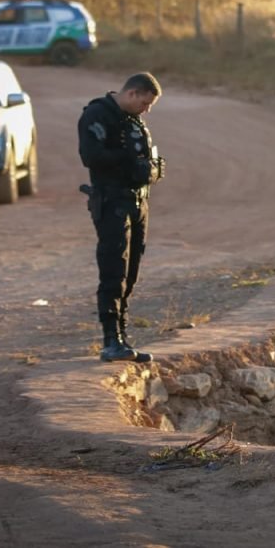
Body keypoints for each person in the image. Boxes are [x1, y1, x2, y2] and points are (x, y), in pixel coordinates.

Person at [78, 73, 166, 362]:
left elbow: (144, 157)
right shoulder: (97, 115)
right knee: (113, 270)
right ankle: (110, 341)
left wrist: (150, 169)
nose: (147, 109)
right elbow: (91, 156)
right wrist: (126, 158)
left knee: (131, 273)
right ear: (132, 94)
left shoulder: (134, 121)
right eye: (145, 102)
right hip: (112, 202)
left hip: (138, 203)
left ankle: (123, 338)